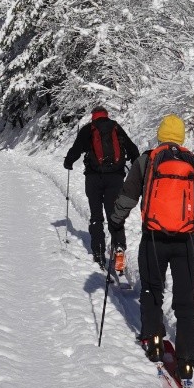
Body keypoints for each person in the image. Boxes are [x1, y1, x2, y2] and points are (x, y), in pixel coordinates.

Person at [111, 114, 194, 385]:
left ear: (160, 134)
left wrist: (116, 219)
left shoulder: (147, 160)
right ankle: (187, 360)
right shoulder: (193, 163)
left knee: (152, 288)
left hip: (153, 237)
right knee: (185, 298)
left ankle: (153, 340)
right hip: (186, 241)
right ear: (182, 137)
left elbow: (127, 196)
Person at [63, 106, 141, 272]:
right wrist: (136, 165)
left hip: (93, 179)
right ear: (106, 115)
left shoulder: (88, 129)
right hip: (116, 178)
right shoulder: (115, 127)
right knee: (115, 215)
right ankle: (119, 248)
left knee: (96, 216)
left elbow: (76, 149)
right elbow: (132, 148)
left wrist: (68, 162)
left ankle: (98, 253)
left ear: (93, 117)